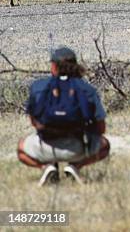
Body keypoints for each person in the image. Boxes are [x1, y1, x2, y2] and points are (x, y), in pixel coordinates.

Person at [18, 46, 110, 186]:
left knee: (21, 148)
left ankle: (46, 167)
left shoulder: (39, 86)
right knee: (105, 145)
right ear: (75, 66)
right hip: (78, 148)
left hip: (45, 146)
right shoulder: (86, 89)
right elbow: (101, 128)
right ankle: (74, 166)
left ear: (53, 66)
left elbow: (34, 120)